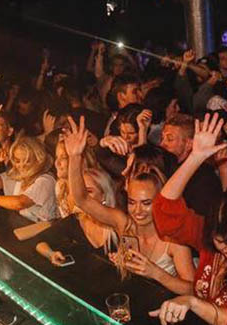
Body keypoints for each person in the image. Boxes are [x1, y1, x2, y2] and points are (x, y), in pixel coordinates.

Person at [148, 114, 227, 325]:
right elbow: (164, 214)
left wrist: (193, 303)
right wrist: (195, 158)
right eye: (221, 243)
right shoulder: (206, 236)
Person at [59, 116, 195, 294]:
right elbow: (81, 199)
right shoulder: (125, 224)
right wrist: (75, 157)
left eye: (146, 203)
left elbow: (192, 290)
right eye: (132, 202)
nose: (138, 211)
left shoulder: (174, 240)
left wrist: (155, 273)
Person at [0, 135, 58, 222]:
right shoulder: (19, 176)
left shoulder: (46, 180)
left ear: (38, 158)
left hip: (43, 231)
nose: (22, 165)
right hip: (22, 228)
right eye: (17, 161)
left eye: (27, 160)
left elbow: (20, 202)